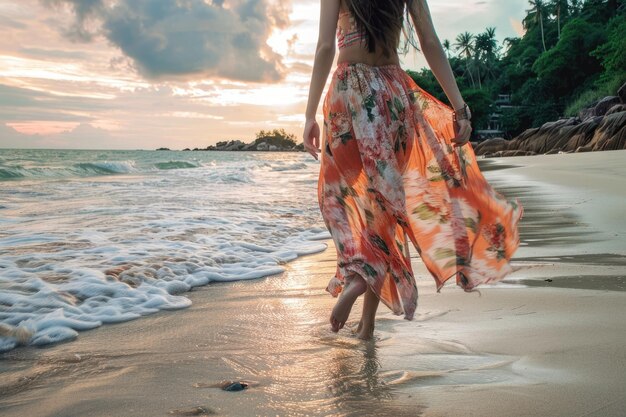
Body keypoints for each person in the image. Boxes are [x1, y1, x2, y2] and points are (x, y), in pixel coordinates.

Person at [303, 0, 523, 340]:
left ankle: (361, 277)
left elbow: (324, 48)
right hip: (392, 96)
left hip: (346, 94)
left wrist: (308, 115)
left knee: (338, 198)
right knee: (384, 209)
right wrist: (460, 108)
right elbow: (431, 44)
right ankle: (366, 320)